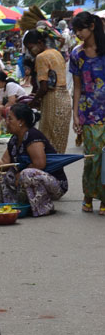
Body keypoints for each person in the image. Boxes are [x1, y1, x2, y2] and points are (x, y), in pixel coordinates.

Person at [0, 103, 68, 217]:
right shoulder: (14, 139)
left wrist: (19, 174)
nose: (6, 121)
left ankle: (43, 208)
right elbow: (4, 163)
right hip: (29, 177)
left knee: (27, 173)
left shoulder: (32, 136)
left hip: (55, 184)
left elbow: (39, 164)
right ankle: (12, 206)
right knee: (3, 172)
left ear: (21, 122)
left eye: (10, 118)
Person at [70, 12, 105, 214]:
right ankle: (88, 195)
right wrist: (75, 114)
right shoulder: (77, 54)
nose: (78, 34)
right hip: (88, 113)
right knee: (91, 157)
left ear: (92, 26)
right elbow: (76, 87)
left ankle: (103, 199)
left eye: (80, 29)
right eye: (75, 30)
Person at [22, 29, 71, 153]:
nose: (30, 51)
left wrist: (33, 102)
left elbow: (44, 87)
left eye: (31, 47)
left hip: (52, 100)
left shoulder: (41, 57)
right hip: (64, 98)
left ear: (39, 42)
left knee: (48, 141)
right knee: (59, 140)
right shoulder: (56, 52)